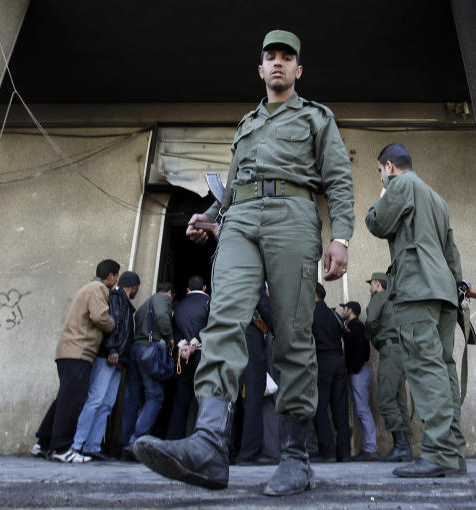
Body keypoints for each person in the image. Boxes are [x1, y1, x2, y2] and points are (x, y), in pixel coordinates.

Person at [134, 29, 354, 496]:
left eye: (286, 57)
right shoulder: (246, 123)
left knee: (293, 334)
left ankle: (295, 458)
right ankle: (210, 445)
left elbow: (338, 179)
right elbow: (232, 187)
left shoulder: (317, 117)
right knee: (223, 319)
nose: (278, 63)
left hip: (293, 217)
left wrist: (342, 238)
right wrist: (209, 215)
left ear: (298, 69)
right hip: (239, 222)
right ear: (260, 68)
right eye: (270, 57)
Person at [364, 143, 466, 478]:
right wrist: (456, 286)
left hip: (416, 288)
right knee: (444, 368)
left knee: (424, 367)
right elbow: (452, 252)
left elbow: (377, 223)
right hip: (444, 292)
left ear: (389, 166)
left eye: (381, 172)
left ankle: (437, 453)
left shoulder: (402, 184)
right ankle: (452, 454)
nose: (382, 177)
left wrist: (382, 192)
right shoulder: (437, 199)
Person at [31, 259, 119, 463]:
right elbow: (99, 316)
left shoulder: (86, 288)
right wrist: (113, 324)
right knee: (73, 400)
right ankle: (62, 448)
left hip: (67, 351)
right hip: (80, 351)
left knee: (64, 397)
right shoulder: (98, 288)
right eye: (116, 276)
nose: (116, 280)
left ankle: (43, 443)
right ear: (111, 276)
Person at [71, 270, 140, 460]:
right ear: (133, 286)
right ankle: (78, 444)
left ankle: (92, 446)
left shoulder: (122, 302)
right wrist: (112, 350)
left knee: (106, 404)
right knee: (96, 400)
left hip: (118, 361)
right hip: (110, 357)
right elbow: (114, 325)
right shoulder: (117, 299)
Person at [364, 272, 413, 462]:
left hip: (389, 351)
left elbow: (371, 321)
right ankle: (406, 447)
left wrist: (370, 336)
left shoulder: (379, 297)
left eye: (371, 284)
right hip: (401, 350)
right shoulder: (396, 300)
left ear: (377, 285)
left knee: (385, 397)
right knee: (399, 399)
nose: (370, 288)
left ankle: (401, 446)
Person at [122, 283, 175, 455]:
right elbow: (161, 317)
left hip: (136, 349)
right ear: (169, 293)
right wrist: (170, 337)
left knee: (133, 398)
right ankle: (136, 440)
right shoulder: (162, 299)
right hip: (149, 351)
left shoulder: (145, 305)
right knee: (155, 396)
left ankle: (124, 440)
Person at [237, 285, 279, 466]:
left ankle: (230, 449)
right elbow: (264, 307)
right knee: (254, 396)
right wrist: (278, 329)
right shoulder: (255, 278)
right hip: (250, 339)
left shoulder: (229, 277)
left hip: (230, 339)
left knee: (233, 397)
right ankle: (249, 452)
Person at [166, 275, 210, 440]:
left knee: (180, 399)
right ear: (205, 288)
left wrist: (183, 346)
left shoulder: (178, 306)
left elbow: (173, 330)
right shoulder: (209, 303)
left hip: (182, 357)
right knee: (204, 399)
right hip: (203, 356)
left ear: (188, 290)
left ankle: (174, 437)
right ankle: (202, 438)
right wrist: (196, 345)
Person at [311, 284, 351, 463]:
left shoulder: (310, 313)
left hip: (322, 361)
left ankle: (327, 451)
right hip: (338, 360)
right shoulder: (334, 314)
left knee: (319, 407)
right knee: (340, 408)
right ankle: (344, 452)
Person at [340, 300, 378, 461]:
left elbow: (361, 351)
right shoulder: (352, 326)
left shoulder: (356, 327)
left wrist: (353, 369)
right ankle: (368, 447)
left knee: (362, 410)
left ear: (350, 310)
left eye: (344, 308)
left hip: (359, 372)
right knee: (360, 409)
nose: (343, 311)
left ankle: (370, 448)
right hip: (357, 371)